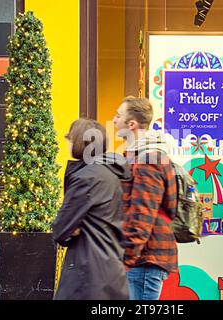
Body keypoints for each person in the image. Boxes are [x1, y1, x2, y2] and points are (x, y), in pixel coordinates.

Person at [52, 118, 130, 300]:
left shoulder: (85, 178)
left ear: (80, 144)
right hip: (111, 268)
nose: (68, 145)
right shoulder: (111, 173)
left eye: (70, 140)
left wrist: (74, 229)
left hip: (87, 272)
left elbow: (60, 229)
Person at [113, 96, 178, 300]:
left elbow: (142, 215)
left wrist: (126, 260)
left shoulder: (147, 159)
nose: (114, 120)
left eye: (118, 116)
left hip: (144, 259)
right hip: (143, 257)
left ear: (131, 124)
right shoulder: (139, 156)